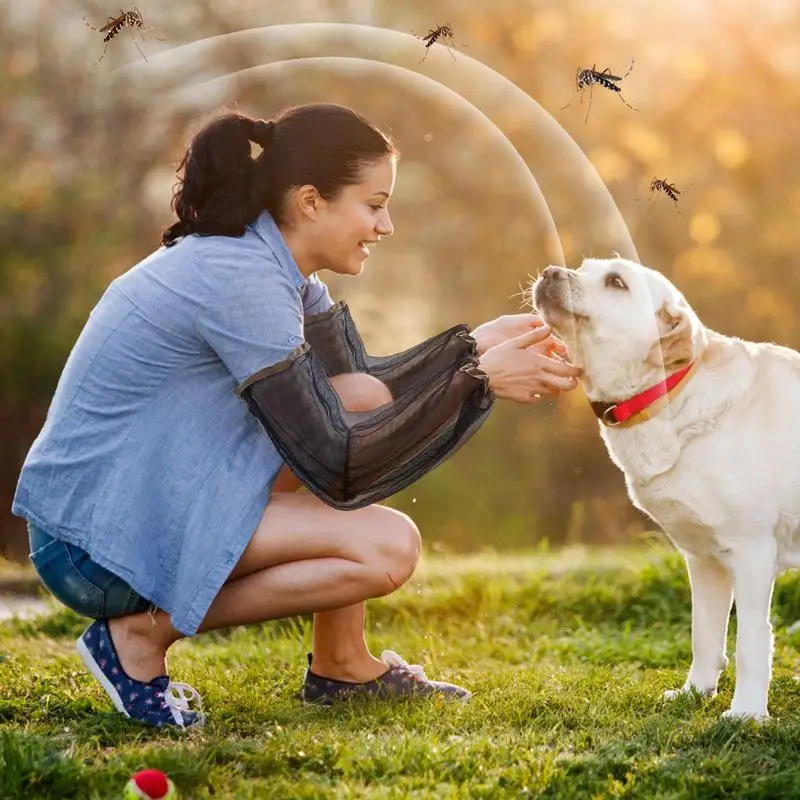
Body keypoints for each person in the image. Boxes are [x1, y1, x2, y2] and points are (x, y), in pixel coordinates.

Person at [11, 104, 583, 729]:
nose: (386, 225)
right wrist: (478, 382)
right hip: (94, 547)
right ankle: (138, 639)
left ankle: (342, 665)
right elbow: (337, 458)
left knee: (356, 397)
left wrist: (473, 349)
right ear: (311, 201)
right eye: (373, 204)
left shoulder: (275, 267)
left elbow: (361, 389)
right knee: (386, 549)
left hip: (149, 505)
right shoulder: (242, 280)